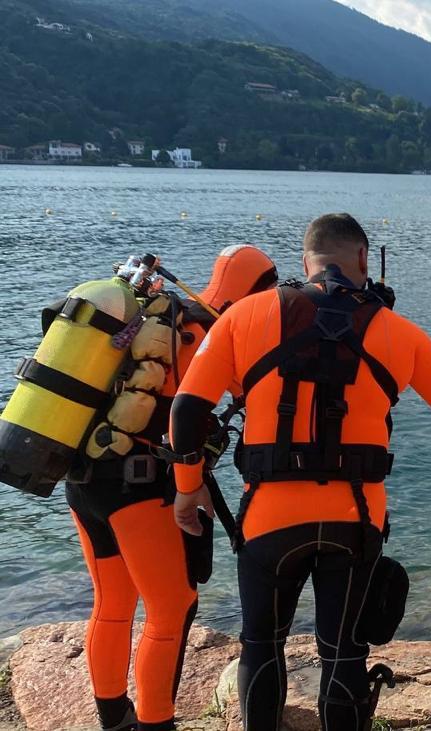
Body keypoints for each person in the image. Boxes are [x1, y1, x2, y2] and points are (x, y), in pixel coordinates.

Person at [169, 213, 431, 731]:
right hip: (355, 521)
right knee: (343, 654)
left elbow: (185, 413)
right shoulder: (399, 332)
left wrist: (188, 489)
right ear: (363, 258)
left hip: (269, 520)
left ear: (304, 260)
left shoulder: (243, 316)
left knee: (261, 645)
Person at [66, 244, 278, 731]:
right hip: (139, 490)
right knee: (172, 608)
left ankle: (113, 718)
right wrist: (190, 485)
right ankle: (157, 723)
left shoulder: (157, 317)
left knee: (113, 602)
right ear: (254, 291)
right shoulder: (206, 331)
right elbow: (193, 417)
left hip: (84, 477)